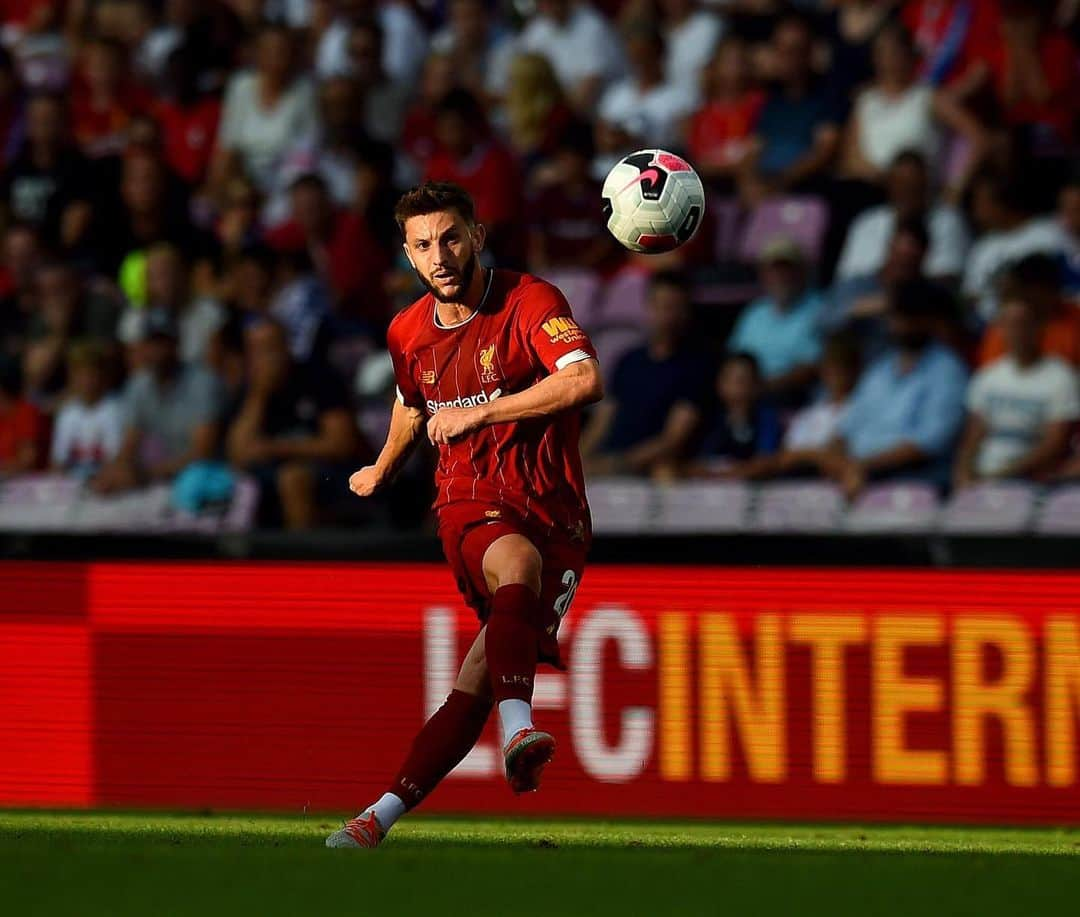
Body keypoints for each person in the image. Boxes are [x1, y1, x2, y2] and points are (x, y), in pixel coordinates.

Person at [325, 181, 603, 849]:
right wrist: (383, 465)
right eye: (423, 245)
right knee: (517, 565)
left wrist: (481, 409)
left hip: (556, 507)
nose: (439, 255)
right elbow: (410, 403)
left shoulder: (530, 300)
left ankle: (377, 816)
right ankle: (519, 728)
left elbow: (582, 377)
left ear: (476, 236)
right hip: (470, 495)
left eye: (450, 237)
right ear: (408, 255)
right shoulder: (406, 330)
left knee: (475, 679)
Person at [824, 279, 968, 496]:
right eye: (896, 316)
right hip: (857, 470)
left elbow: (928, 444)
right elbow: (845, 429)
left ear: (927, 320)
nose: (901, 324)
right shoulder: (879, 370)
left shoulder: (948, 371)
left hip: (913, 475)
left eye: (909, 316)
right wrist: (836, 461)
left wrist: (862, 465)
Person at [226, 319, 361, 529]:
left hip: (327, 470)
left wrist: (275, 448)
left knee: (293, 478)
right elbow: (239, 454)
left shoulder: (319, 378)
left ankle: (302, 557)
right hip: (267, 472)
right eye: (256, 351)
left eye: (270, 348)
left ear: (286, 347)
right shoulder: (249, 391)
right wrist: (259, 395)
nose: (265, 358)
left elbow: (340, 444)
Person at [580, 272, 712, 477]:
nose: (665, 315)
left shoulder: (696, 367)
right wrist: (579, 460)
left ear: (685, 311)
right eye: (658, 305)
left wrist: (617, 465)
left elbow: (673, 439)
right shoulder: (628, 360)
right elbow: (602, 420)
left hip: (647, 471)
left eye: (672, 307)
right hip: (607, 463)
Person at [93, 310, 224, 494]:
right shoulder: (139, 385)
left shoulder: (202, 383)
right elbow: (129, 445)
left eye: (163, 342)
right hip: (164, 476)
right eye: (151, 342)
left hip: (206, 477)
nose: (157, 350)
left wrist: (146, 474)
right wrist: (117, 469)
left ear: (177, 343)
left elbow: (202, 453)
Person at [954, 297, 1079, 489]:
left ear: (1039, 327)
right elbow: (973, 436)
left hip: (1032, 480)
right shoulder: (988, 376)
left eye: (1022, 324)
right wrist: (963, 475)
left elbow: (1055, 443)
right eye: (1008, 324)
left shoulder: (1061, 378)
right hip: (984, 474)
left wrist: (1001, 475)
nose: (1016, 331)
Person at [737, 12, 843, 204]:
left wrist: (780, 183)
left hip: (802, 194)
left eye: (794, 50)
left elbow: (824, 152)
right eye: (781, 50)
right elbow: (754, 149)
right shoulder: (771, 101)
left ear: (809, 53)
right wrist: (747, 182)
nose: (787, 59)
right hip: (764, 189)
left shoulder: (828, 97)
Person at [835, 150, 970, 283]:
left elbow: (947, 279)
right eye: (901, 184)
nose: (907, 191)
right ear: (890, 185)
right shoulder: (867, 223)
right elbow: (848, 279)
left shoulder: (947, 221)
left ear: (926, 186)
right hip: (866, 299)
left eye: (914, 185)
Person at [727, 236, 824, 402]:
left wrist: (761, 388)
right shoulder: (754, 312)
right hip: (748, 398)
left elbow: (812, 368)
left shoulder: (820, 310)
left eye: (787, 269)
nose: (780, 276)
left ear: (802, 272)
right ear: (763, 274)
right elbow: (734, 358)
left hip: (794, 399)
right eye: (773, 270)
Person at [823, 216, 933, 361]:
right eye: (900, 257)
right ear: (889, 249)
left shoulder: (930, 295)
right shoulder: (857, 285)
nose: (904, 265)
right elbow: (823, 324)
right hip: (857, 369)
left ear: (923, 258)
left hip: (904, 372)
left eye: (911, 261)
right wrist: (857, 309)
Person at [962, 170, 1063, 322]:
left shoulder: (1048, 234)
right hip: (992, 328)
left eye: (981, 203)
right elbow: (971, 295)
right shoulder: (983, 246)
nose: (976, 212)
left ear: (1002, 204)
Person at [596, 24, 698, 151]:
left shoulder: (681, 98)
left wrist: (638, 140)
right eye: (635, 56)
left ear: (660, 54)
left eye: (645, 55)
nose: (641, 62)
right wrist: (614, 139)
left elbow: (686, 143)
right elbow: (602, 141)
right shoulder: (616, 94)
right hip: (614, 167)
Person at [977, 254, 1080, 368]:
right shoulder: (1004, 328)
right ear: (1023, 290)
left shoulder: (1075, 318)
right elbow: (991, 374)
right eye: (1038, 290)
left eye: (1052, 288)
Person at [692, 351, 782, 473]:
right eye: (728, 378)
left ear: (757, 385)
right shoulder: (709, 418)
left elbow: (765, 461)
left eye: (741, 380)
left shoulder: (766, 418)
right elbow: (699, 462)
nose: (734, 386)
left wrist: (735, 472)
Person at [49, 340, 124, 478]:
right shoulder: (67, 413)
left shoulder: (116, 410)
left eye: (91, 374)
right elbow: (57, 462)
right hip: (71, 485)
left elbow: (116, 461)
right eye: (80, 374)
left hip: (105, 484)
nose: (86, 381)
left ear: (103, 375)